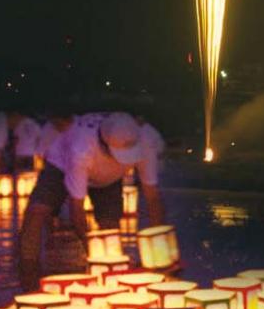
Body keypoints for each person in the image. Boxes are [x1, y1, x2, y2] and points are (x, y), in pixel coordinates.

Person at [19, 112, 165, 288]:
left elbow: (152, 197)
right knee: (37, 211)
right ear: (104, 144)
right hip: (61, 165)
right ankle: (28, 270)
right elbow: (76, 209)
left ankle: (113, 279)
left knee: (110, 227)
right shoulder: (80, 148)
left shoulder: (146, 141)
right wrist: (93, 253)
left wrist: (160, 251)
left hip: (109, 178)